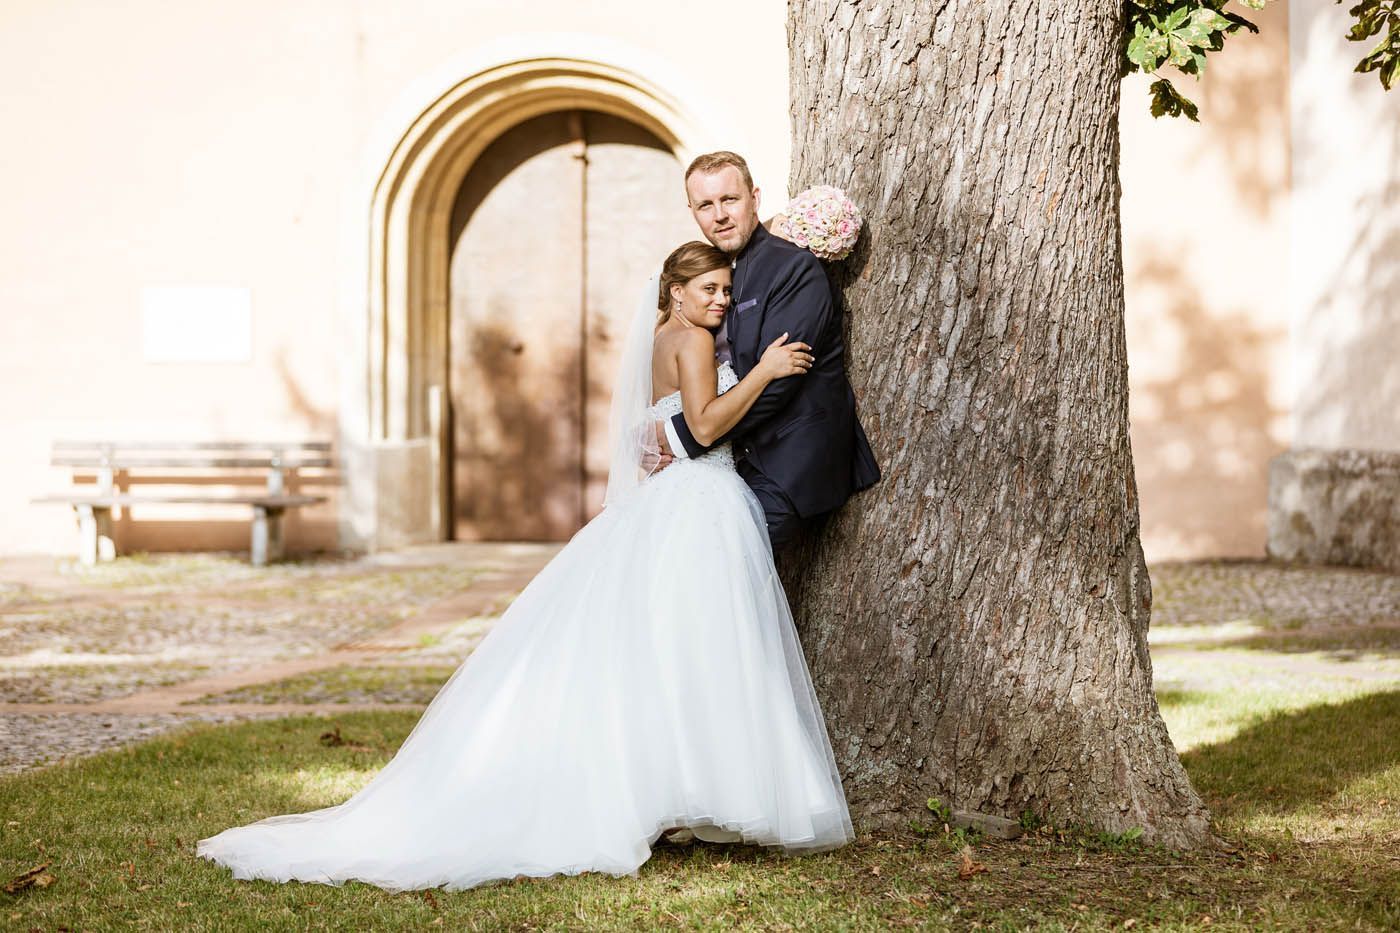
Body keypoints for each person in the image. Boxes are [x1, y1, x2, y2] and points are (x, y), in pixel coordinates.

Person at [195, 241, 856, 893]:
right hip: (696, 501)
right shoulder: (690, 340)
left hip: (676, 498)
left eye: (723, 289)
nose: (719, 300)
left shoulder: (663, 335)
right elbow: (706, 428)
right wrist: (766, 371)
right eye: (706, 288)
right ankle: (698, 788)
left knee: (674, 646)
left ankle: (679, 791)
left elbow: (658, 428)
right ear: (676, 291)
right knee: (703, 645)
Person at [656, 151, 880, 549]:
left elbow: (782, 382)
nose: (719, 214)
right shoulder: (712, 275)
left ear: (755, 199)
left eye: (730, 199)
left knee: (717, 564)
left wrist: (686, 439)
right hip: (729, 463)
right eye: (706, 205)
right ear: (692, 211)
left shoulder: (794, 269)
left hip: (787, 464)